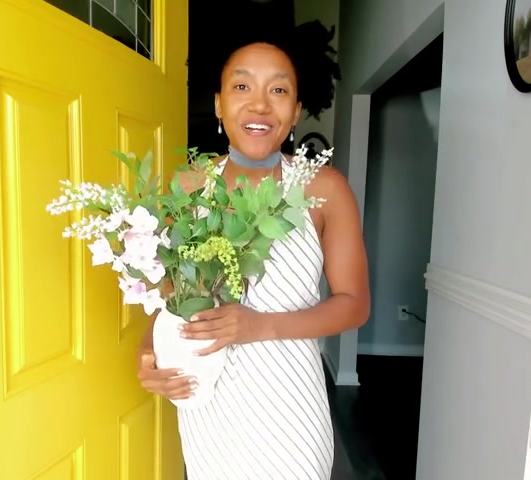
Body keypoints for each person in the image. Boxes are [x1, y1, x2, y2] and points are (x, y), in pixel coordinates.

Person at [135, 39, 370, 480]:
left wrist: (260, 326)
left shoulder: (325, 189)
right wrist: (150, 350)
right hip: (207, 401)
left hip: (291, 408)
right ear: (219, 104)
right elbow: (170, 294)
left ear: (296, 111)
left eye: (278, 90)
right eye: (242, 87)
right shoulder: (188, 186)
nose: (260, 104)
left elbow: (355, 304)